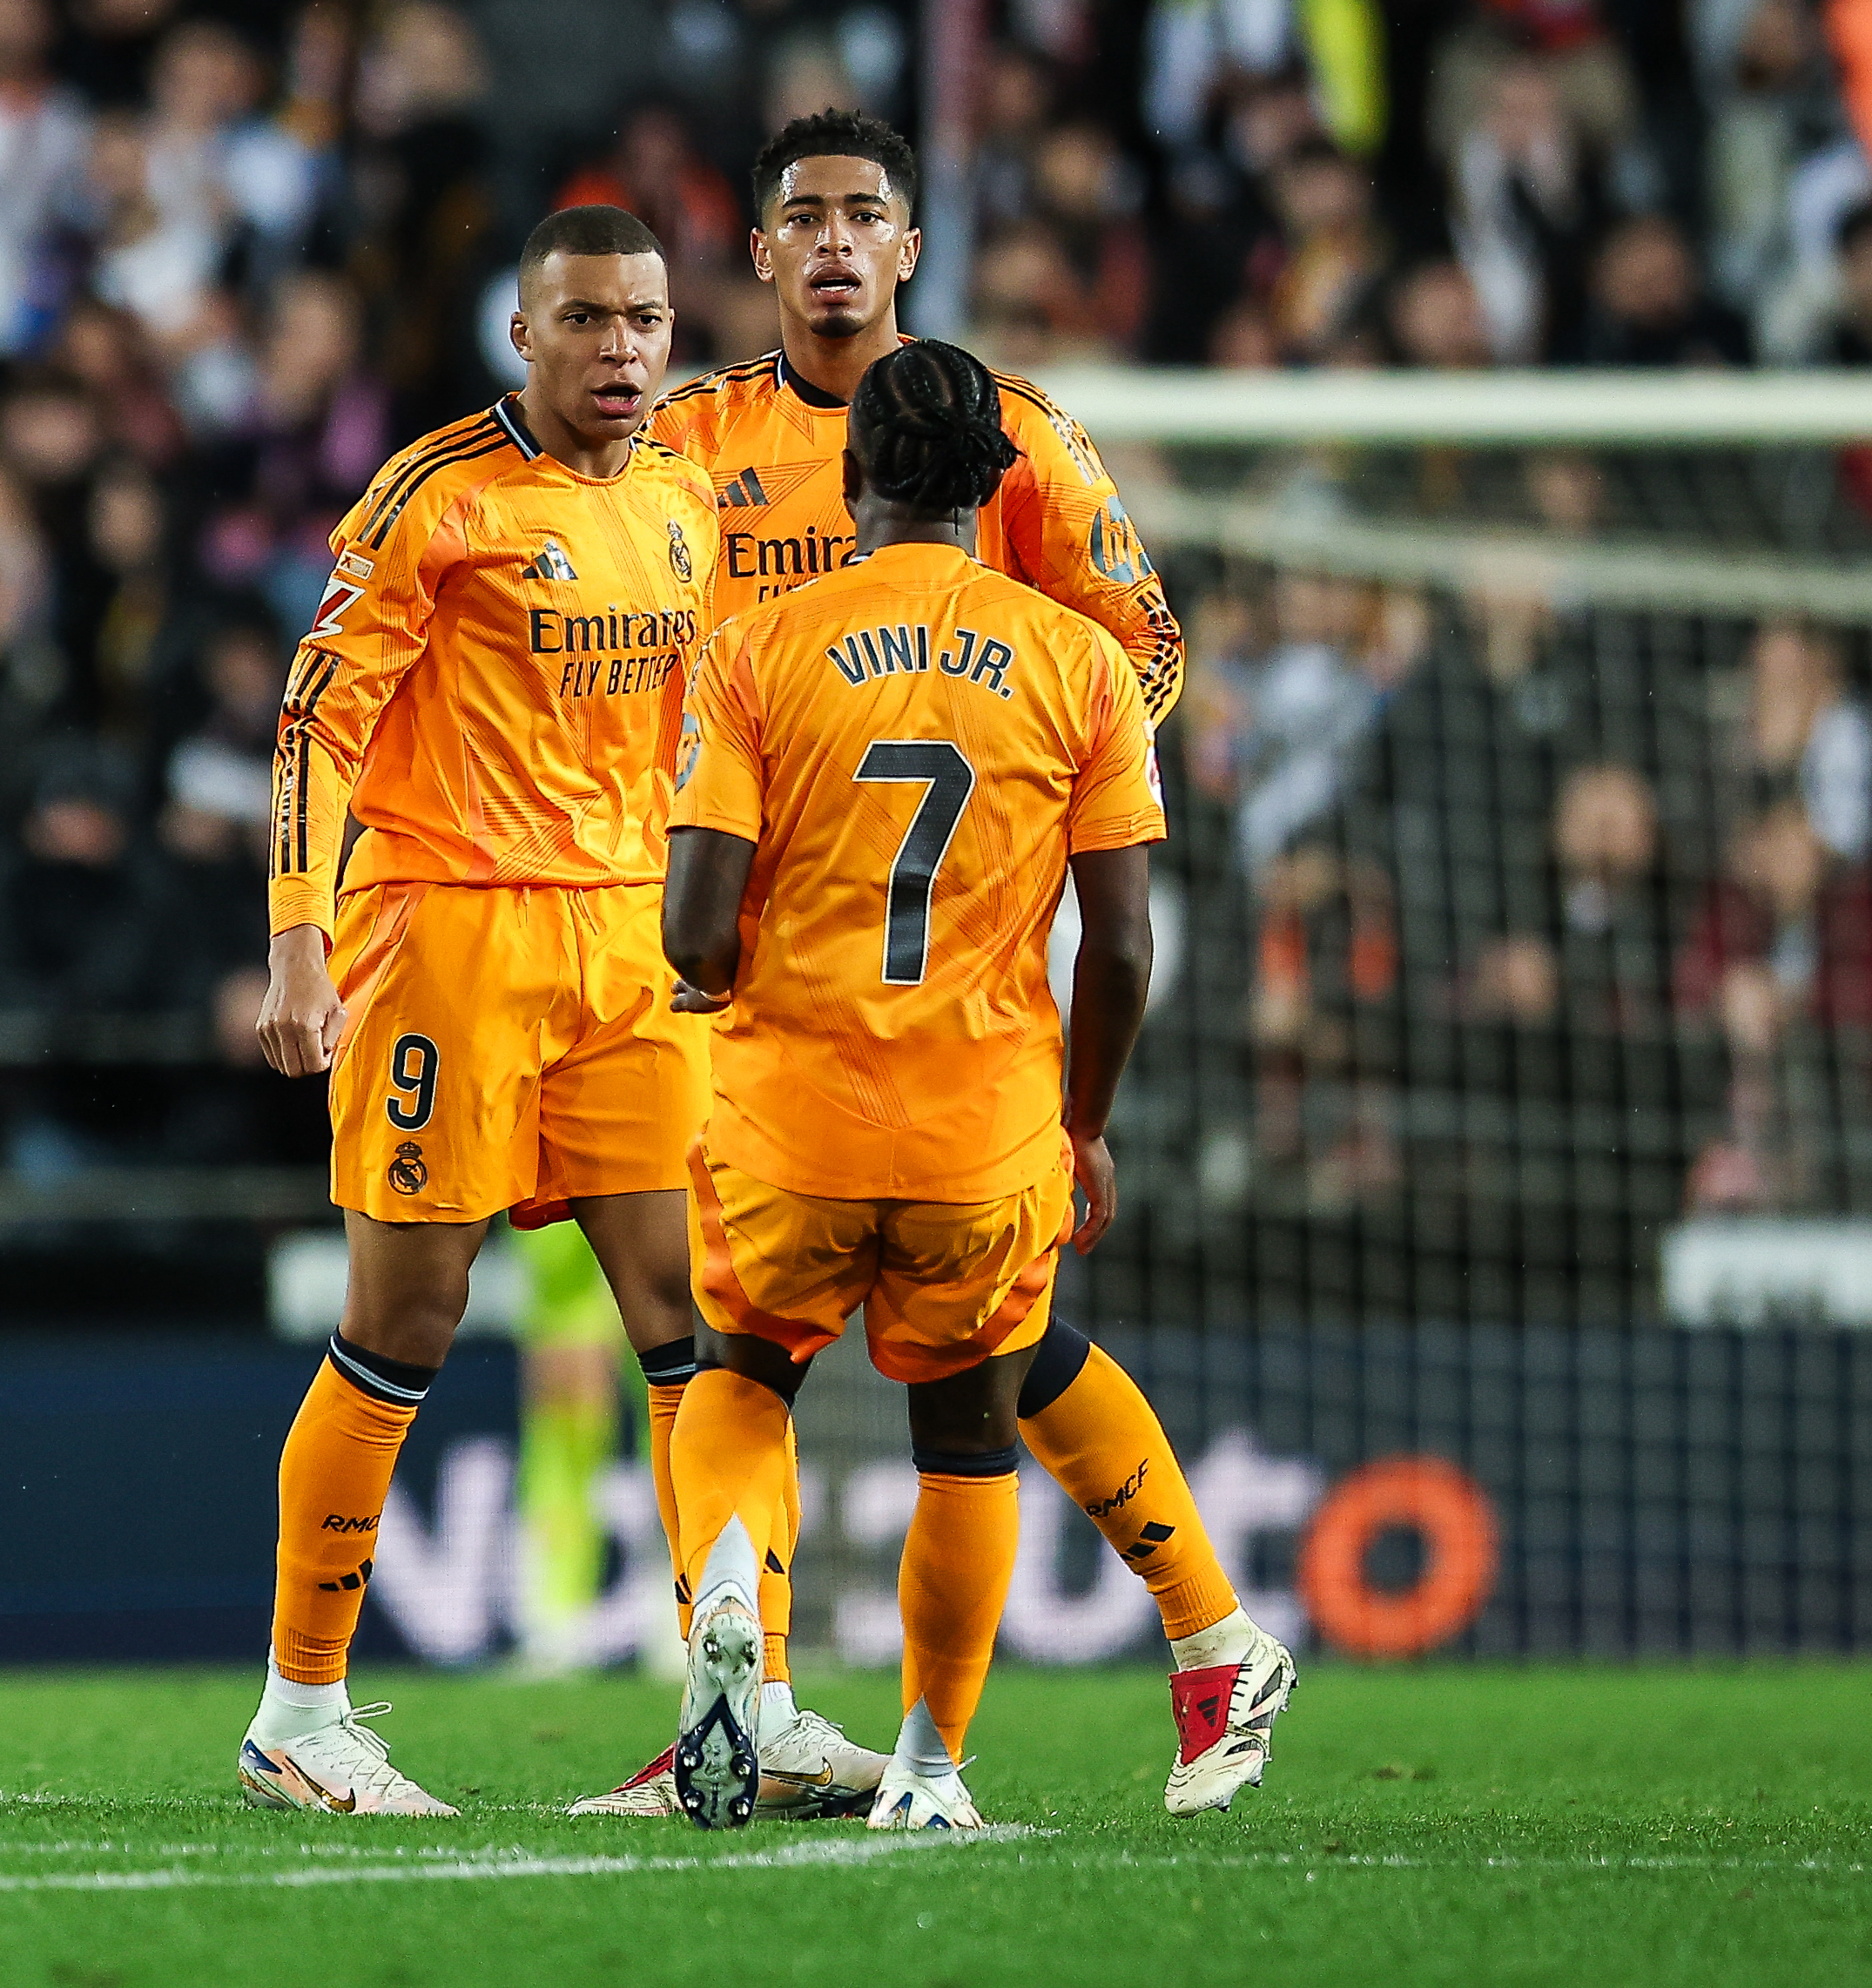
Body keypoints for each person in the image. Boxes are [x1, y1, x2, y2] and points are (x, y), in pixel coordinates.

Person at [609, 106, 1282, 1826]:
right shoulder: (680, 439)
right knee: (965, 1340)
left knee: (748, 1351)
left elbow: (1147, 649)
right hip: (743, 934)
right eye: (802, 216)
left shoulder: (1024, 437)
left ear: (906, 246)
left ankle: (758, 1690)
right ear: (757, 252)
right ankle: (1123, 1655)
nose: (833, 241)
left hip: (894, 941)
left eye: (864, 214)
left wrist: (1002, 776)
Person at [236, 206, 724, 1819]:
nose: (622, 351)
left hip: (627, 941)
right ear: (526, 335)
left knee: (693, 1323)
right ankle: (300, 1712)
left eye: (645, 322)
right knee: (407, 1325)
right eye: (586, 321)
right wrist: (299, 937)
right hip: (446, 932)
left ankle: (736, 1707)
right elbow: (317, 715)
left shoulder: (680, 498)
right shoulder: (437, 494)